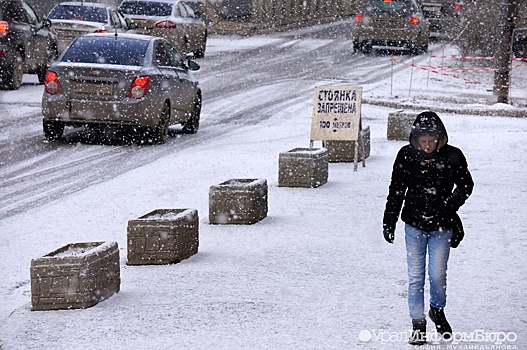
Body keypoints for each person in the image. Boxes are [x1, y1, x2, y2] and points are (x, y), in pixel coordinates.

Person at [382, 111, 474, 345]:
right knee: (415, 277)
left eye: (431, 141)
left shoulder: (453, 156)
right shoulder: (406, 156)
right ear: (415, 140)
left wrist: (449, 205)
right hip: (413, 225)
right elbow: (396, 190)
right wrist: (389, 220)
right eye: (423, 142)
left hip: (441, 227)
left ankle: (437, 310)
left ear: (440, 138)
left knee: (437, 275)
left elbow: (466, 185)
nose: (427, 146)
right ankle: (418, 324)